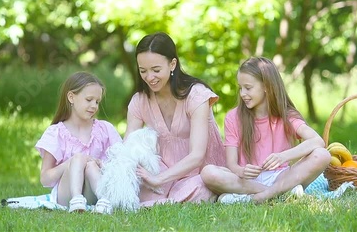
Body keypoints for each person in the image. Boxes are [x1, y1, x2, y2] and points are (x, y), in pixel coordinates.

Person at [200, 57, 331, 204]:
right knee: (208, 172)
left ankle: (254, 198)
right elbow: (231, 164)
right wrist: (241, 171)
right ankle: (279, 193)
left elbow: (317, 141)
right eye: (240, 88)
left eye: (248, 88)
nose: (243, 93)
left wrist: (283, 156)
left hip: (280, 176)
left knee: (322, 155)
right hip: (247, 181)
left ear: (266, 86)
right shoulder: (233, 117)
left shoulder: (286, 115)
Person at [124, 32, 225, 206]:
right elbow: (128, 146)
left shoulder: (196, 95)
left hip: (199, 172)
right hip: (163, 172)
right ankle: (163, 200)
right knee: (139, 188)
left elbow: (197, 156)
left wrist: (158, 179)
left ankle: (160, 203)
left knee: (199, 188)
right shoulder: (139, 100)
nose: (149, 77)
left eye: (156, 70)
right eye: (143, 71)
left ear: (172, 64)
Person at [35, 71, 122, 213]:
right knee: (79, 159)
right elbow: (45, 178)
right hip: (66, 195)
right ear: (71, 97)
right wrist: (73, 162)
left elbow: (121, 162)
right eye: (89, 100)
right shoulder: (56, 133)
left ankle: (105, 201)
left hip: (95, 191)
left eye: (97, 101)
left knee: (91, 166)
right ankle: (77, 200)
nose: (94, 105)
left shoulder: (105, 129)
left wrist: (100, 164)